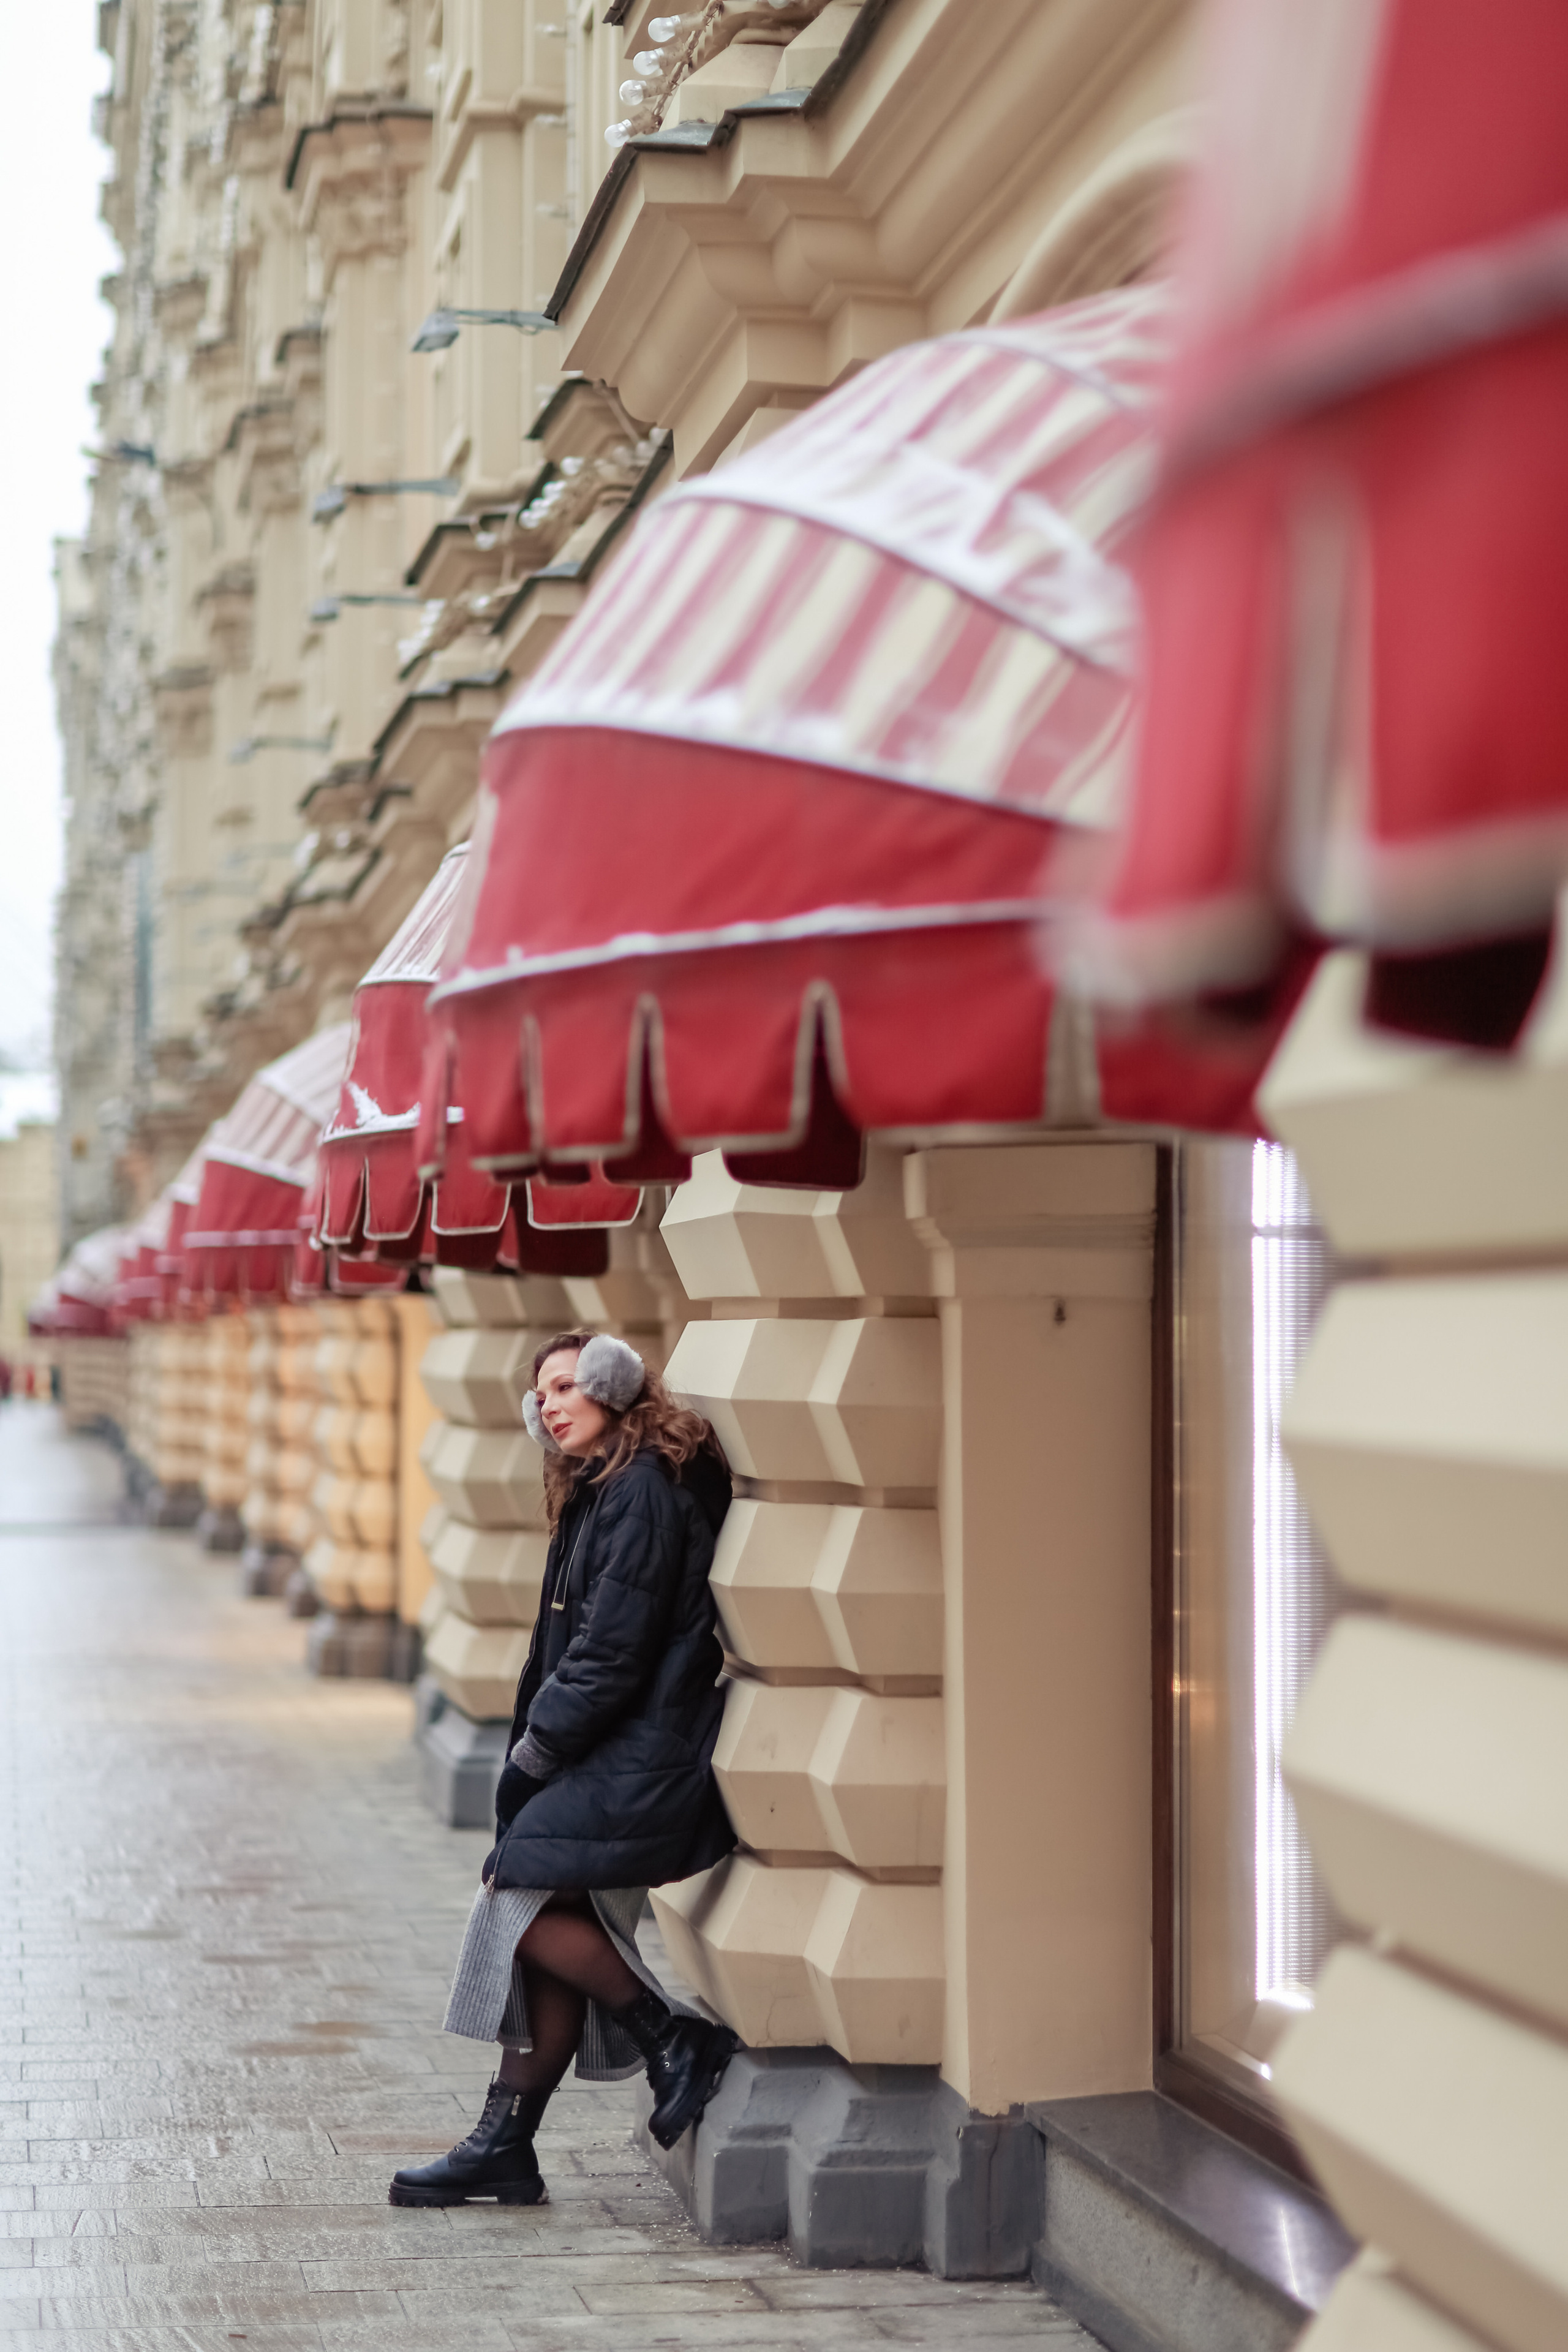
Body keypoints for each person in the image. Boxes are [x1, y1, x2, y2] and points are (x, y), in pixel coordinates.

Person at [390, 1329, 739, 2209]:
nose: (549, 1403)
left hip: (643, 1752)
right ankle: (506, 2143)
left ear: (615, 1386)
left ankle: (671, 2039)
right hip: (612, 1749)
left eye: (565, 1384)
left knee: (515, 1888)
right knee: (546, 1916)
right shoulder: (601, 1492)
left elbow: (610, 1657)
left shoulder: (642, 1496)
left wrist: (534, 1753)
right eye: (538, 1393)